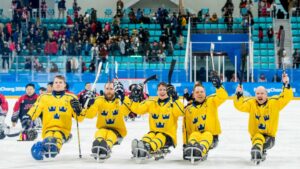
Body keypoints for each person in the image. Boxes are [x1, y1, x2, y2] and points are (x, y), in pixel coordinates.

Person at [234, 73, 293, 164]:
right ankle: (257, 150)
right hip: (256, 135)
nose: (259, 95)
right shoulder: (251, 103)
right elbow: (239, 106)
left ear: (266, 95)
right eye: (257, 93)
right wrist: (238, 94)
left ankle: (260, 150)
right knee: (258, 138)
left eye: (262, 93)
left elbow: (286, 97)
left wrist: (286, 84)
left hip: (269, 138)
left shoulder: (274, 103)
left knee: (263, 141)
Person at [27, 75, 84, 160]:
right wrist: (29, 117)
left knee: (56, 141)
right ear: (52, 85)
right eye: (56, 82)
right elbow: (36, 108)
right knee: (48, 140)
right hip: (48, 129)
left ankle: (59, 144)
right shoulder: (44, 97)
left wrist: (78, 110)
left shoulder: (71, 98)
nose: (58, 84)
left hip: (63, 130)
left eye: (60, 82)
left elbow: (80, 119)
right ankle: (45, 148)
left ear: (65, 85)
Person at [130, 82, 184, 160]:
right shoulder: (152, 102)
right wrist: (135, 99)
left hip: (168, 135)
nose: (162, 92)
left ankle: (148, 147)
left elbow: (181, 112)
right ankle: (141, 145)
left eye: (164, 90)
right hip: (153, 132)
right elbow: (137, 110)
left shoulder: (172, 104)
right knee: (148, 136)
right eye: (160, 90)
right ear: (157, 92)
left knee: (160, 137)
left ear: (168, 91)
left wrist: (176, 99)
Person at [183, 75, 228, 162]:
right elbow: (186, 128)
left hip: (211, 136)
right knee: (193, 135)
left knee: (206, 135)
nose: (200, 94)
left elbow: (223, 97)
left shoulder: (211, 101)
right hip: (196, 134)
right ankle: (191, 148)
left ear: (205, 93)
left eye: (202, 92)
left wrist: (219, 87)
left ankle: (200, 149)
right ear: (193, 95)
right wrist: (185, 144)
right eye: (197, 92)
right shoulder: (189, 109)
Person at [81, 81, 131, 160]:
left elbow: (126, 112)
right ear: (104, 89)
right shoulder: (98, 100)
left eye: (111, 89)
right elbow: (90, 115)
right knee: (100, 133)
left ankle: (106, 147)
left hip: (117, 130)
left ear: (115, 90)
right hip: (103, 127)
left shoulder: (120, 99)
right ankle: (97, 145)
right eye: (107, 88)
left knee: (110, 135)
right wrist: (88, 105)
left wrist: (122, 99)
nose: (109, 91)